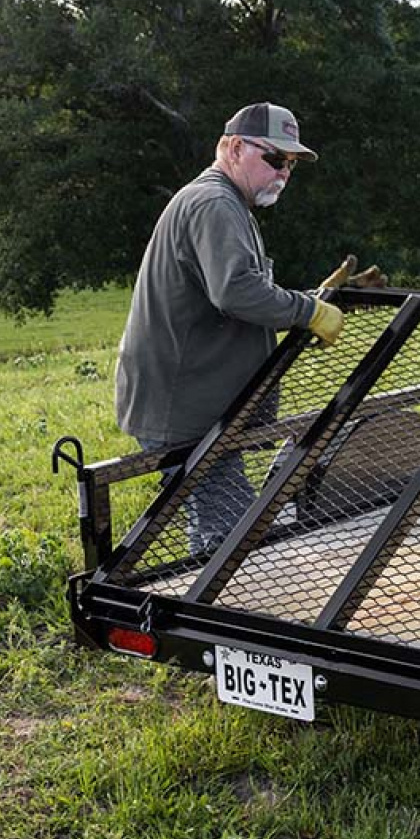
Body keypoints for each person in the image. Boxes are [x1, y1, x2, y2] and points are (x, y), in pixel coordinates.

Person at [114, 101, 376, 554]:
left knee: (217, 527)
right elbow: (234, 291)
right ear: (234, 148)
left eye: (290, 164)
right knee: (233, 541)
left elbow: (238, 299)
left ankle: (210, 600)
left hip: (195, 401)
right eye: (274, 159)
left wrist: (310, 304)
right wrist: (308, 311)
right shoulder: (215, 203)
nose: (283, 173)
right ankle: (219, 615)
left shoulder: (229, 203)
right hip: (184, 409)